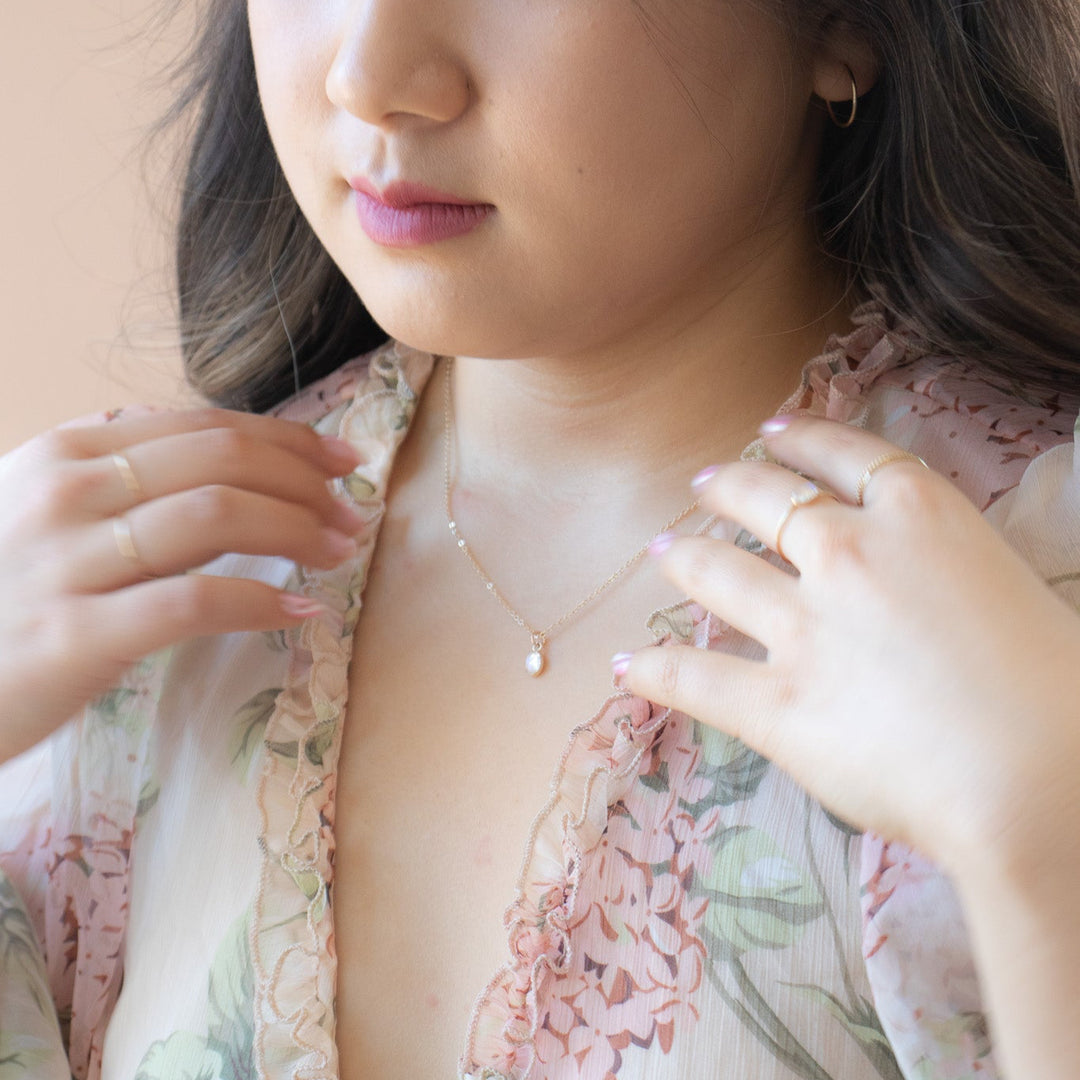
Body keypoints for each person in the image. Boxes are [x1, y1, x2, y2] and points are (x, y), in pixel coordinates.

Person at [0, 0, 1077, 1078]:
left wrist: (1044, 836)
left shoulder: (1031, 583)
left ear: (843, 23)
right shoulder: (160, 595)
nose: (370, 75)